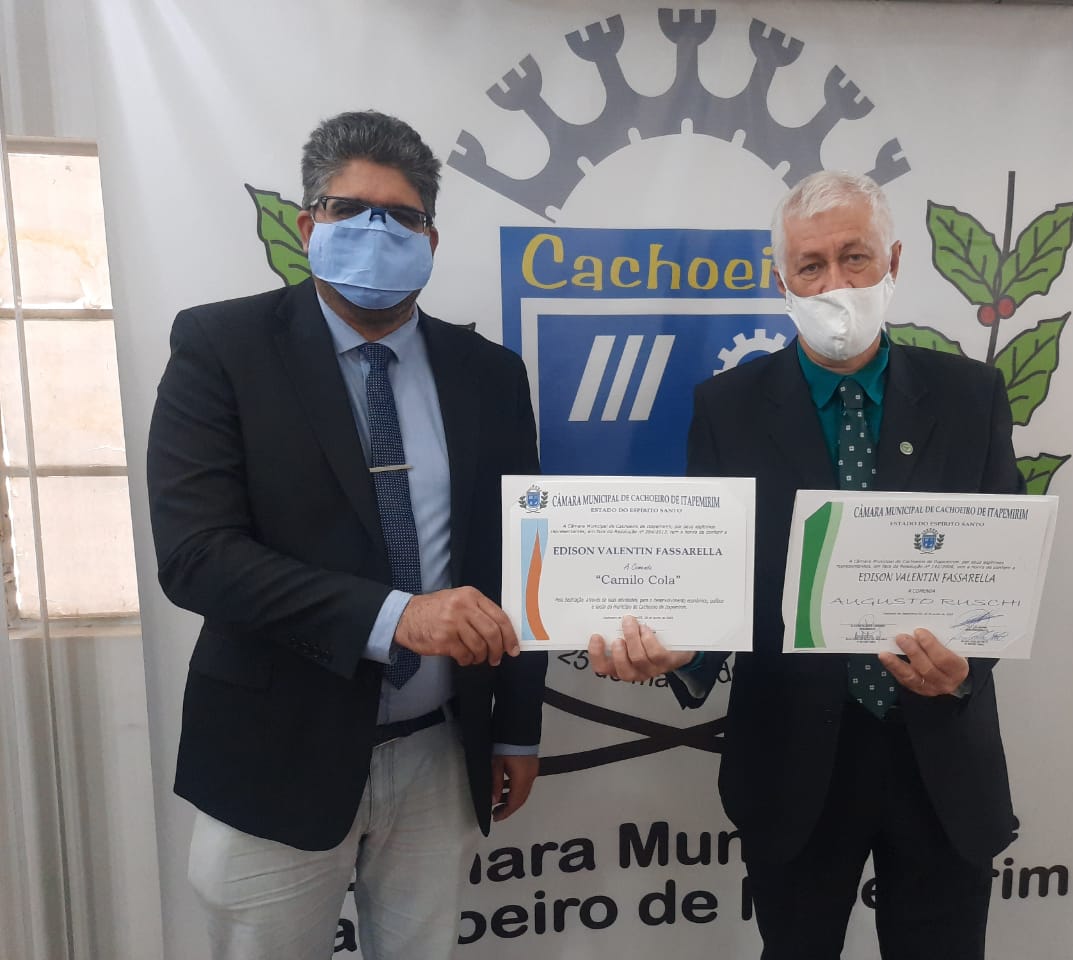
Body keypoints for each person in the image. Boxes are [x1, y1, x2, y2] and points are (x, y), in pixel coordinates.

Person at [589, 171, 1022, 959]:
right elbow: (713, 577)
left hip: (939, 758)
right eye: (811, 265)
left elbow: (1002, 568)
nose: (834, 285)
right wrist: (684, 650)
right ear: (779, 277)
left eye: (855, 258)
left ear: (893, 262)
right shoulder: (726, 407)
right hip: (792, 759)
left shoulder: (971, 397)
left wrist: (965, 668)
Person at [147, 110, 545, 960]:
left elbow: (518, 557)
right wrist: (397, 616)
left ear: (430, 239)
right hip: (274, 754)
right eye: (348, 209)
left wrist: (515, 727)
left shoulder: (490, 375)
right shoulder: (222, 348)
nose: (376, 230)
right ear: (306, 226)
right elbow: (196, 557)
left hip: (440, 752)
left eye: (400, 216)